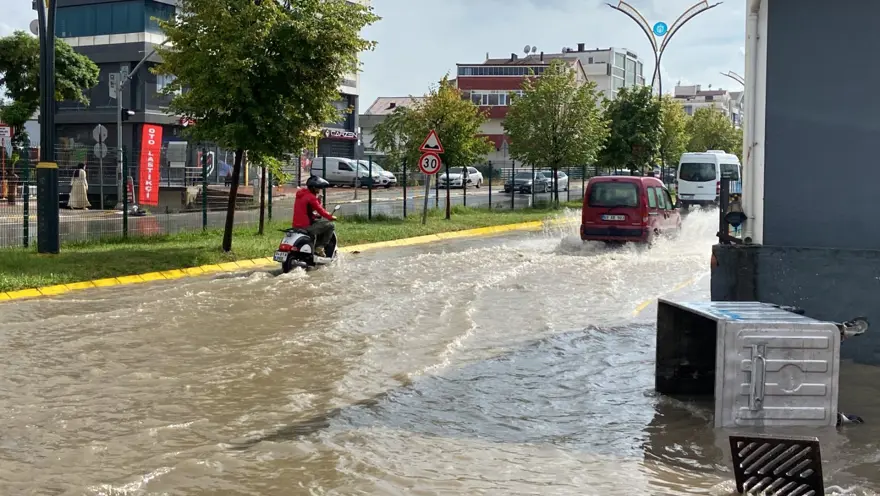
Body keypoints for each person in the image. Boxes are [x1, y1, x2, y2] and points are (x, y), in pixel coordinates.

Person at [293, 175, 337, 257]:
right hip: (306, 226)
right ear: (313, 187)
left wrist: (318, 200)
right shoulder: (311, 197)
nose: (320, 189)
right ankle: (320, 247)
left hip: (296, 225)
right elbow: (320, 210)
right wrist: (330, 217)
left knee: (321, 223)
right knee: (330, 225)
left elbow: (309, 208)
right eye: (318, 188)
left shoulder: (301, 194)